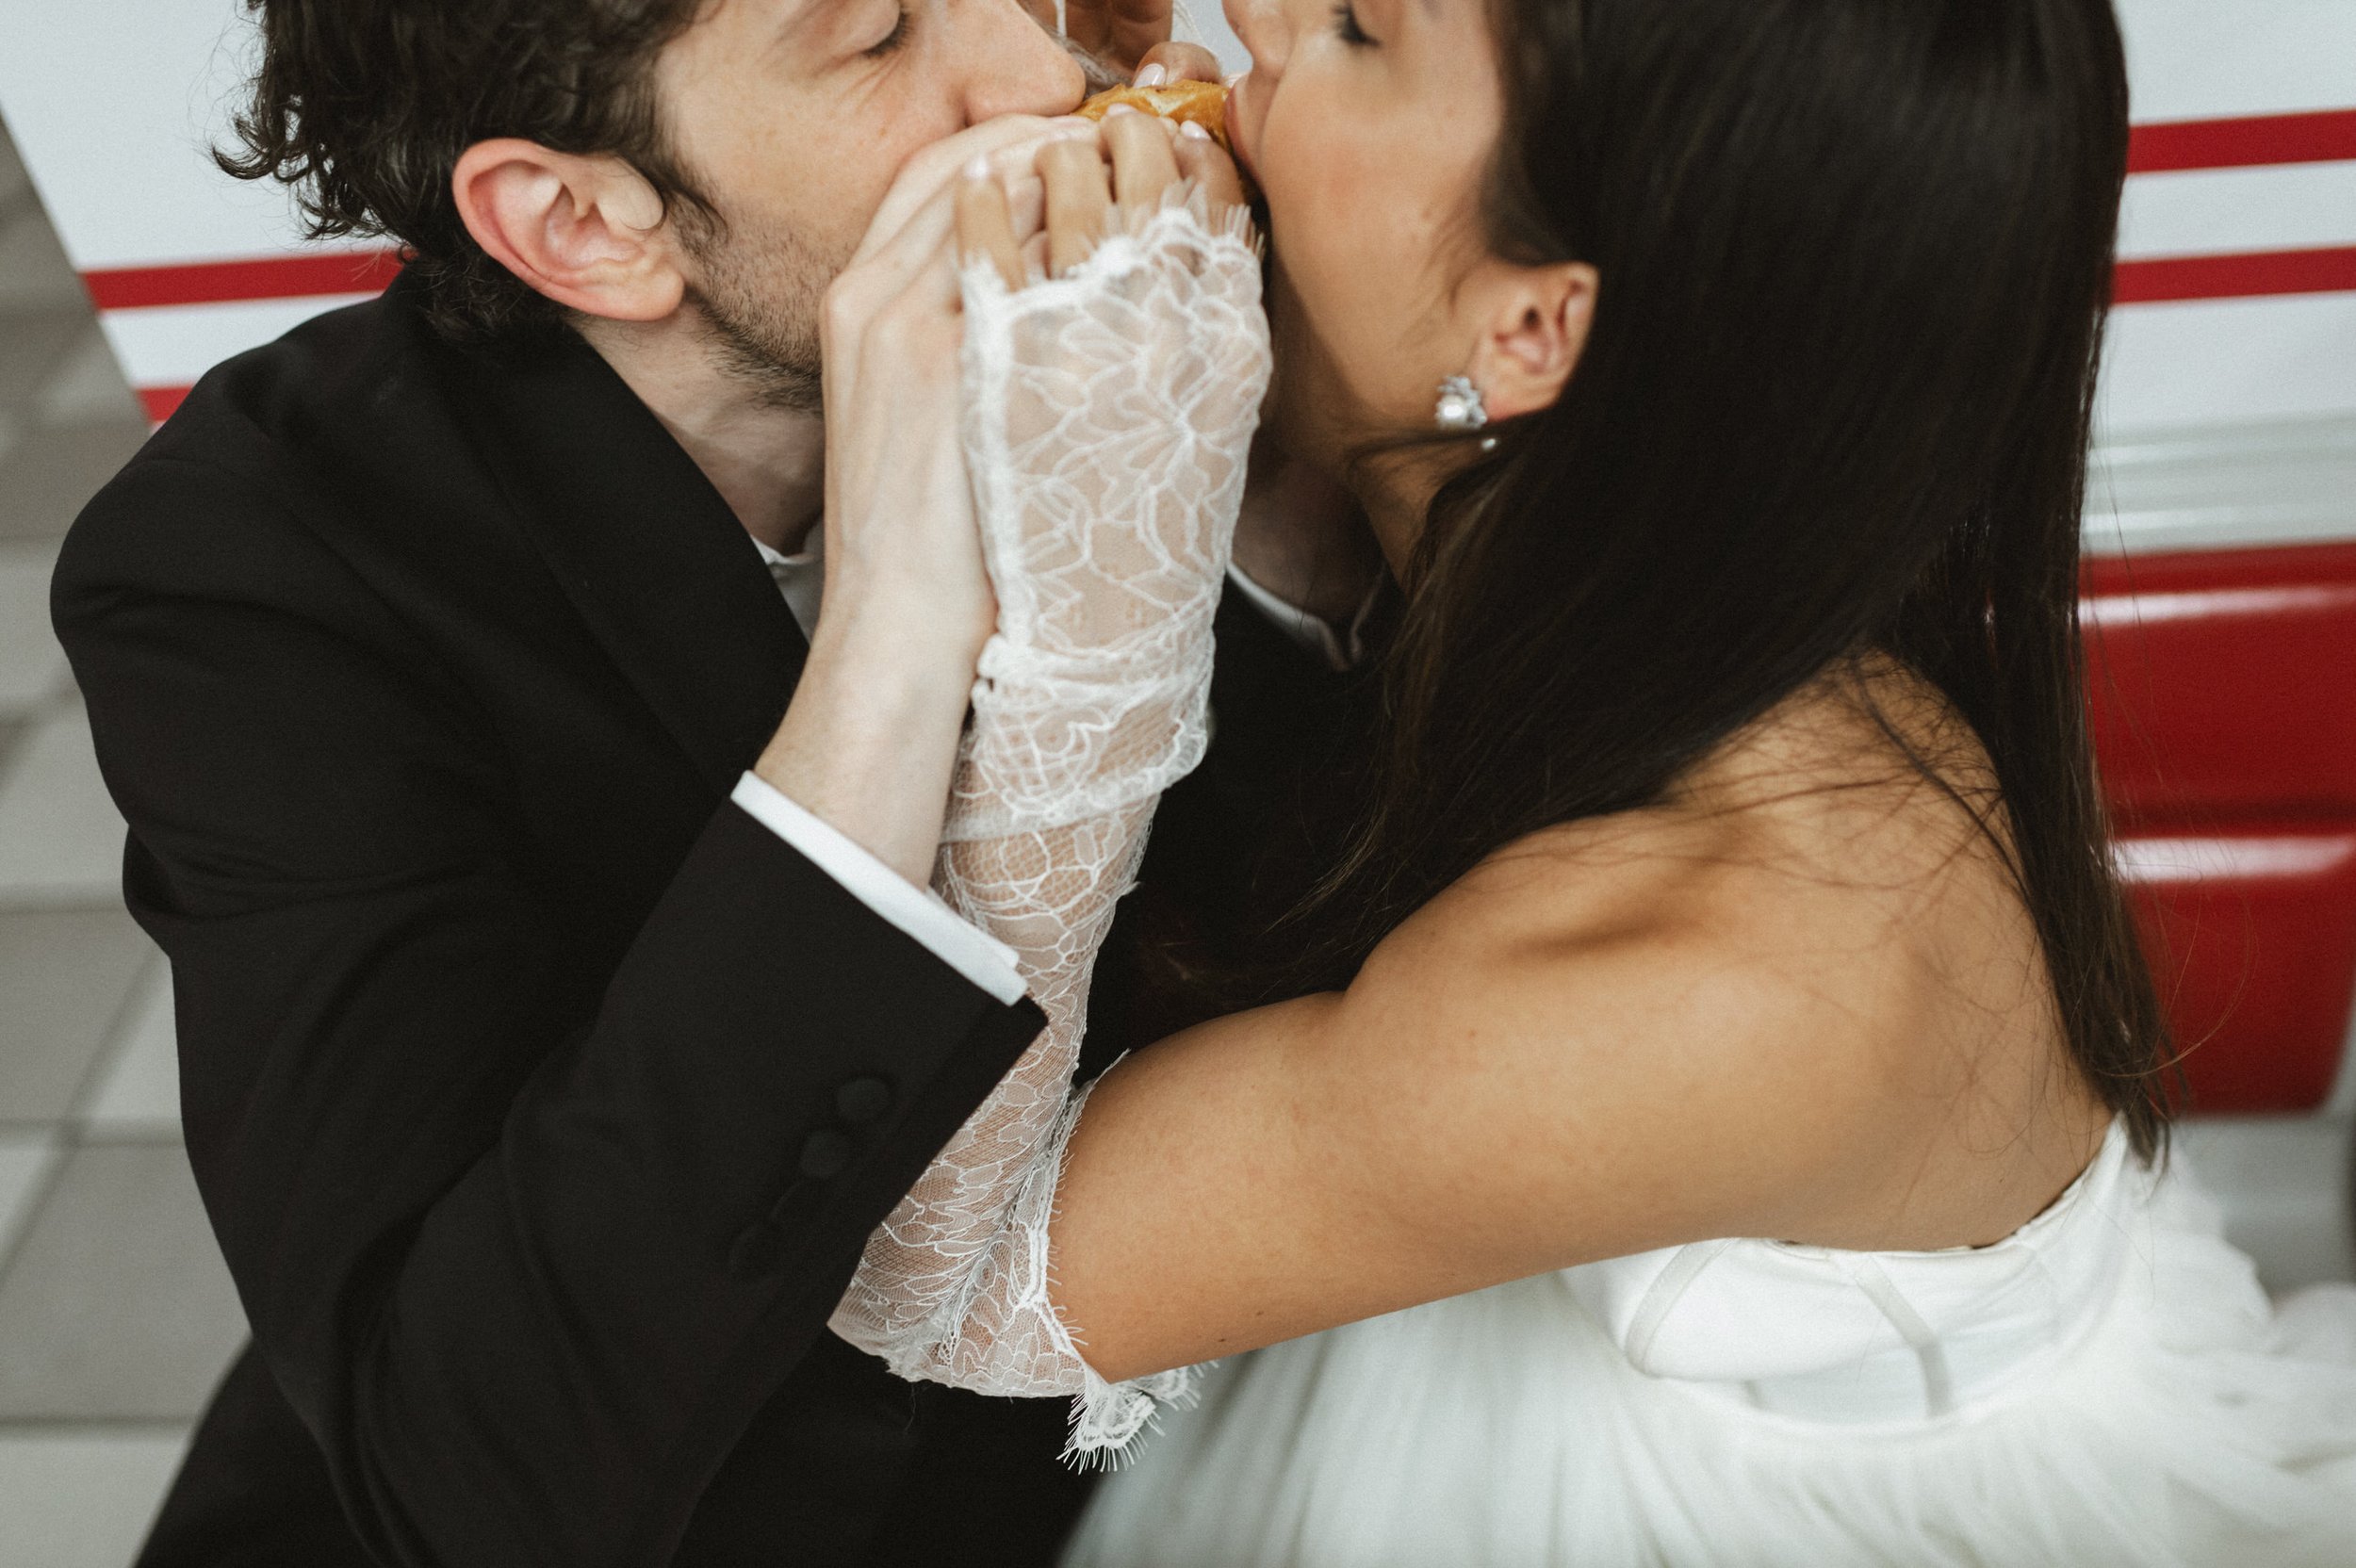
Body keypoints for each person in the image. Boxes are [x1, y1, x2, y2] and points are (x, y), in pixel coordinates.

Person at [804, 0, 2356, 1560]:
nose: (1253, 16)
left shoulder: (1708, 986)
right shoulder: (1671, 536)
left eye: (1353, 30)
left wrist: (1091, 624)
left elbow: (933, 1280)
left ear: (1534, 330)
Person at [49, 3, 1369, 1564]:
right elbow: (473, 1470)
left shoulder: (1166, 295)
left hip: (1134, 1415)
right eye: (878, 37)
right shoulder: (257, 566)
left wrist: (1276, 483)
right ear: (587, 226)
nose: (1037, 71)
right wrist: (893, 618)